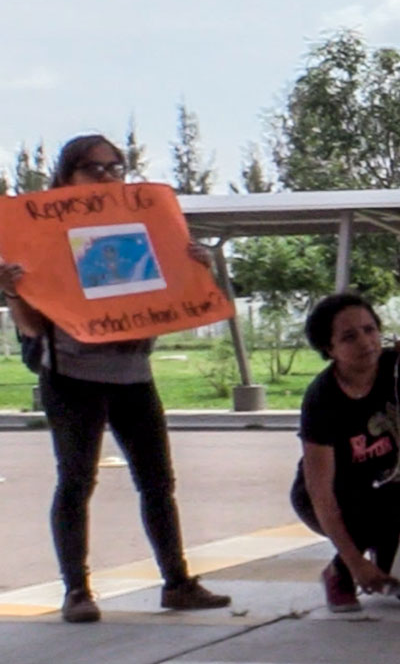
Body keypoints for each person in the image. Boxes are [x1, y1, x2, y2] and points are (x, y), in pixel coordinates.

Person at [0, 135, 232, 622]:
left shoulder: (143, 228)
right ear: (67, 177)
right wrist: (15, 292)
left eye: (115, 167)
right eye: (94, 168)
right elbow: (33, 328)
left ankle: (177, 582)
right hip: (72, 376)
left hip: (133, 374)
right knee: (76, 480)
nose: (107, 177)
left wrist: (195, 271)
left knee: (157, 482)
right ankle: (77, 591)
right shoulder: (42, 238)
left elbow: (170, 299)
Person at [292, 292, 400, 614]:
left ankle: (380, 556)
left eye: (370, 329)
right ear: (329, 349)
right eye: (349, 337)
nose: (365, 342)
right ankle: (340, 571)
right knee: (365, 515)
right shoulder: (322, 399)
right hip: (336, 498)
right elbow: (320, 492)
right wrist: (355, 562)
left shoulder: (399, 368)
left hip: (388, 490)